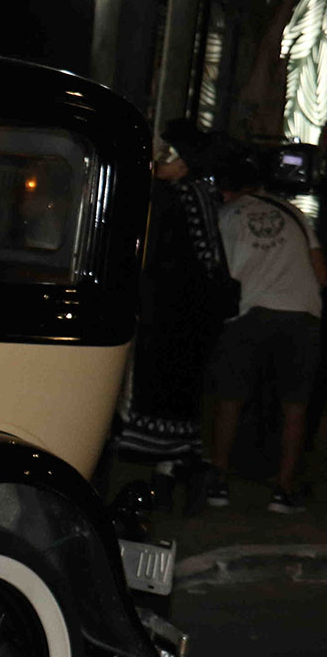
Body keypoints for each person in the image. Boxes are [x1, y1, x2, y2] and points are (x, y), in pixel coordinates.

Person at [108, 122, 230, 485]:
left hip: (175, 311)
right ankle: (170, 464)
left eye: (167, 154)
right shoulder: (187, 194)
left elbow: (205, 259)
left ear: (184, 160)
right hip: (174, 309)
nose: (160, 162)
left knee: (163, 382)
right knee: (167, 383)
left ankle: (169, 462)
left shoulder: (183, 194)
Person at [204, 152, 327, 512]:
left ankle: (218, 481)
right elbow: (322, 275)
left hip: (249, 313)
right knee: (295, 406)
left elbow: (217, 271)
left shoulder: (226, 216)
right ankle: (283, 489)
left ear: (225, 191)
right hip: (302, 315)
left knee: (229, 399)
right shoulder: (296, 214)